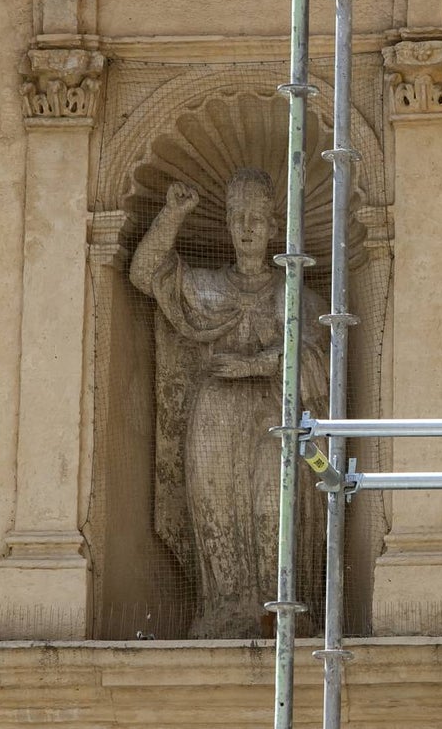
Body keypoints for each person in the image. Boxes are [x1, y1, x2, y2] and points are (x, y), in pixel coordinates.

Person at [130, 168, 328, 638]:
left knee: (269, 509)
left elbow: (316, 357)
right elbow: (144, 274)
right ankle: (221, 611)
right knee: (217, 513)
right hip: (214, 418)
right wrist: (173, 215)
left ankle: (279, 612)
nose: (246, 229)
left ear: (274, 225)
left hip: (274, 417)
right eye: (237, 217)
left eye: (256, 218)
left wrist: (252, 366)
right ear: (226, 224)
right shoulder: (208, 288)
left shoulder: (294, 294)